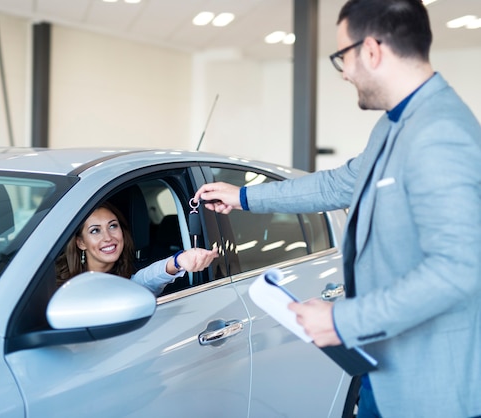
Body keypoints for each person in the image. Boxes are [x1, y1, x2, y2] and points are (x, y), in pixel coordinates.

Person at [194, 0, 481, 416]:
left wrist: (343, 320)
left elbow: (459, 269)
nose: (344, 72)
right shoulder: (395, 124)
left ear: (371, 51)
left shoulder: (440, 132)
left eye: (341, 56)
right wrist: (242, 197)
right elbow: (341, 182)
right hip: (384, 370)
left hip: (431, 389)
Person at [57, 202, 218, 296]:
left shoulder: (126, 282)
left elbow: (145, 279)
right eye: (95, 230)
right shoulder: (58, 285)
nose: (108, 237)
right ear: (81, 242)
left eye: (113, 226)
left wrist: (178, 261)